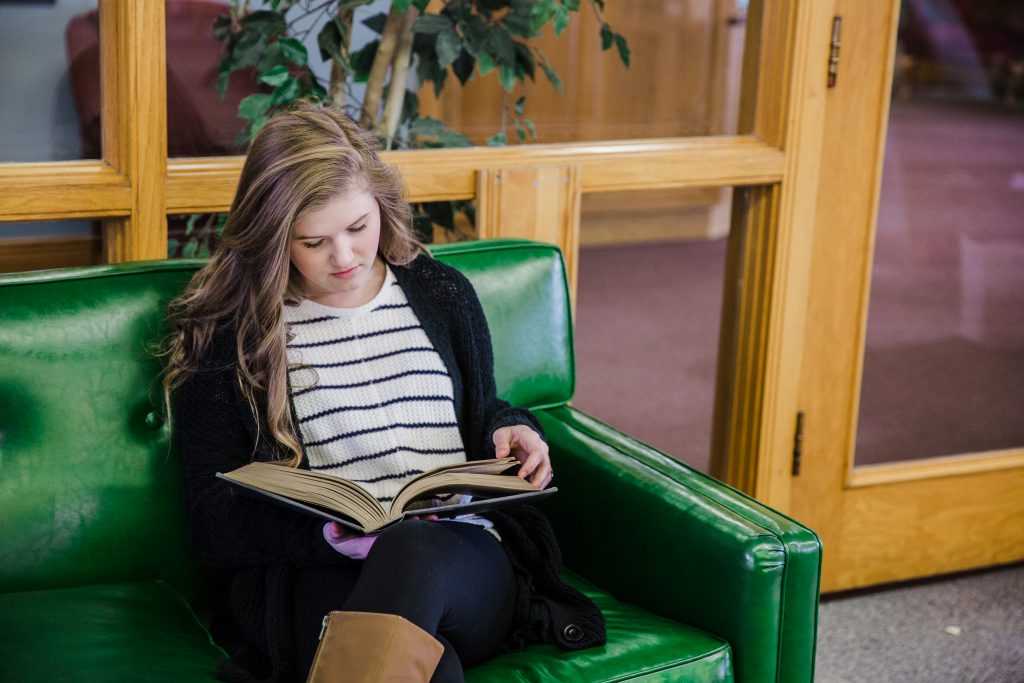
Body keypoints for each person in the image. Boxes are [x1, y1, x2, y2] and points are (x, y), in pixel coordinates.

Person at [160, 100, 604, 683]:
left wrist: (513, 429)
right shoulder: (232, 336)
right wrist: (322, 536)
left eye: (357, 228)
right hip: (318, 570)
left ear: (381, 206)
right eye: (313, 242)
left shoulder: (442, 293)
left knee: (411, 549)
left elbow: (485, 411)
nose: (343, 257)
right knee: (430, 669)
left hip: (461, 560)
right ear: (272, 238)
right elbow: (211, 522)